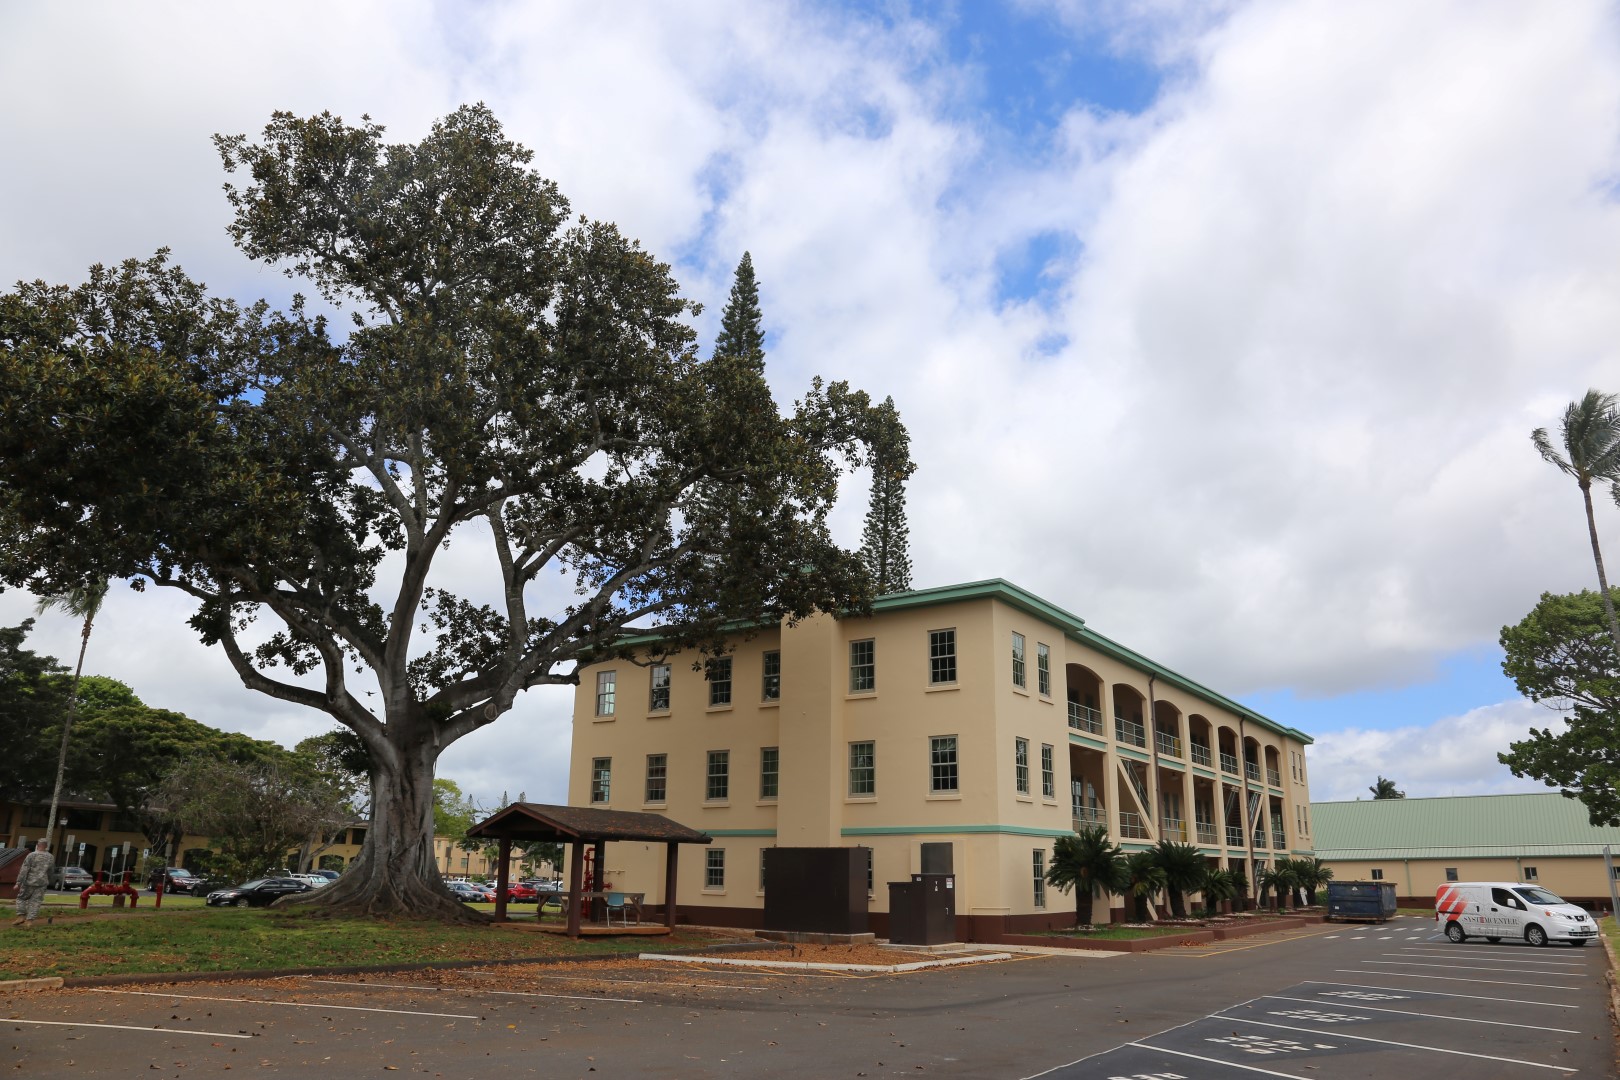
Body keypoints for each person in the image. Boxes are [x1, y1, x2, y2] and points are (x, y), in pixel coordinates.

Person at [13, 839, 54, 928]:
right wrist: (48, 880)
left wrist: (18, 882)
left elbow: (24, 869)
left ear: (37, 845)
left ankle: (21, 916)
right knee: (36, 902)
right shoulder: (50, 857)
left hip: (29, 882)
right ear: (46, 846)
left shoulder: (31, 855)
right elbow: (51, 871)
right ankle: (29, 921)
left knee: (21, 898)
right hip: (42, 883)